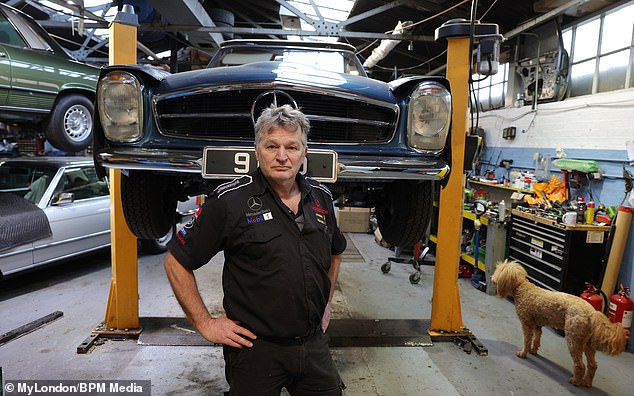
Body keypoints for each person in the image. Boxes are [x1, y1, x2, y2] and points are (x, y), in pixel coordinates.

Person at [164, 104, 347, 396]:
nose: (283, 156)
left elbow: (336, 252)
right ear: (256, 150)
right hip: (255, 351)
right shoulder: (229, 201)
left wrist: (325, 306)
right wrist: (206, 323)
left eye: (292, 147)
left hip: (314, 347)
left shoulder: (322, 199)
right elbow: (176, 262)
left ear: (304, 152)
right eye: (272, 146)